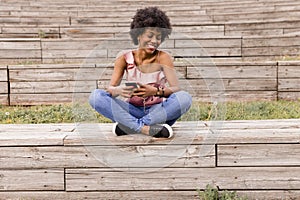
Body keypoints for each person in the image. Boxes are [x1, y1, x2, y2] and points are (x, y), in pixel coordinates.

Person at [89, 7, 192, 138]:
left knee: (185, 98)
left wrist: (155, 91)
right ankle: (146, 129)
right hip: (131, 110)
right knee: (95, 96)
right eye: (150, 35)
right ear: (138, 34)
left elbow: (176, 89)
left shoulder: (164, 57)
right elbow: (110, 90)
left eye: (159, 37)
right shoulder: (124, 57)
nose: (154, 41)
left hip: (158, 111)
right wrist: (119, 90)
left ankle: (130, 127)